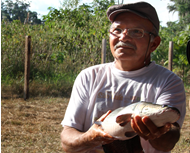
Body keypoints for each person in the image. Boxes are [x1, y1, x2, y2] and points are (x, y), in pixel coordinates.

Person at [60, 1, 186, 153]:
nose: (123, 37)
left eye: (136, 32)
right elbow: (67, 142)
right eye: (117, 30)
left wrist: (159, 133)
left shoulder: (169, 82)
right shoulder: (89, 76)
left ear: (154, 44)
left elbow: (168, 142)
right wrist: (90, 137)